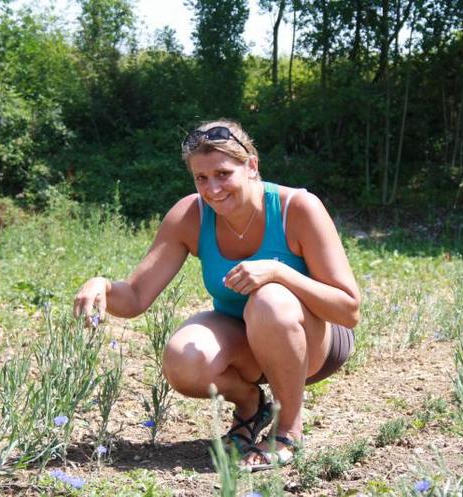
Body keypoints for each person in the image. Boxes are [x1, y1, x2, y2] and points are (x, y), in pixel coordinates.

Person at [73, 119, 360, 471]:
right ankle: (251, 404)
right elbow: (134, 296)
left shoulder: (297, 208)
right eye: (201, 178)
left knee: (270, 298)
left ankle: (288, 430)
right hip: (247, 340)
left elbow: (348, 310)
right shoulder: (190, 215)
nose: (212, 189)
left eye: (223, 174)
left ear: (251, 166)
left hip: (316, 342)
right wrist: (101, 284)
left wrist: (279, 272)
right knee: (183, 358)